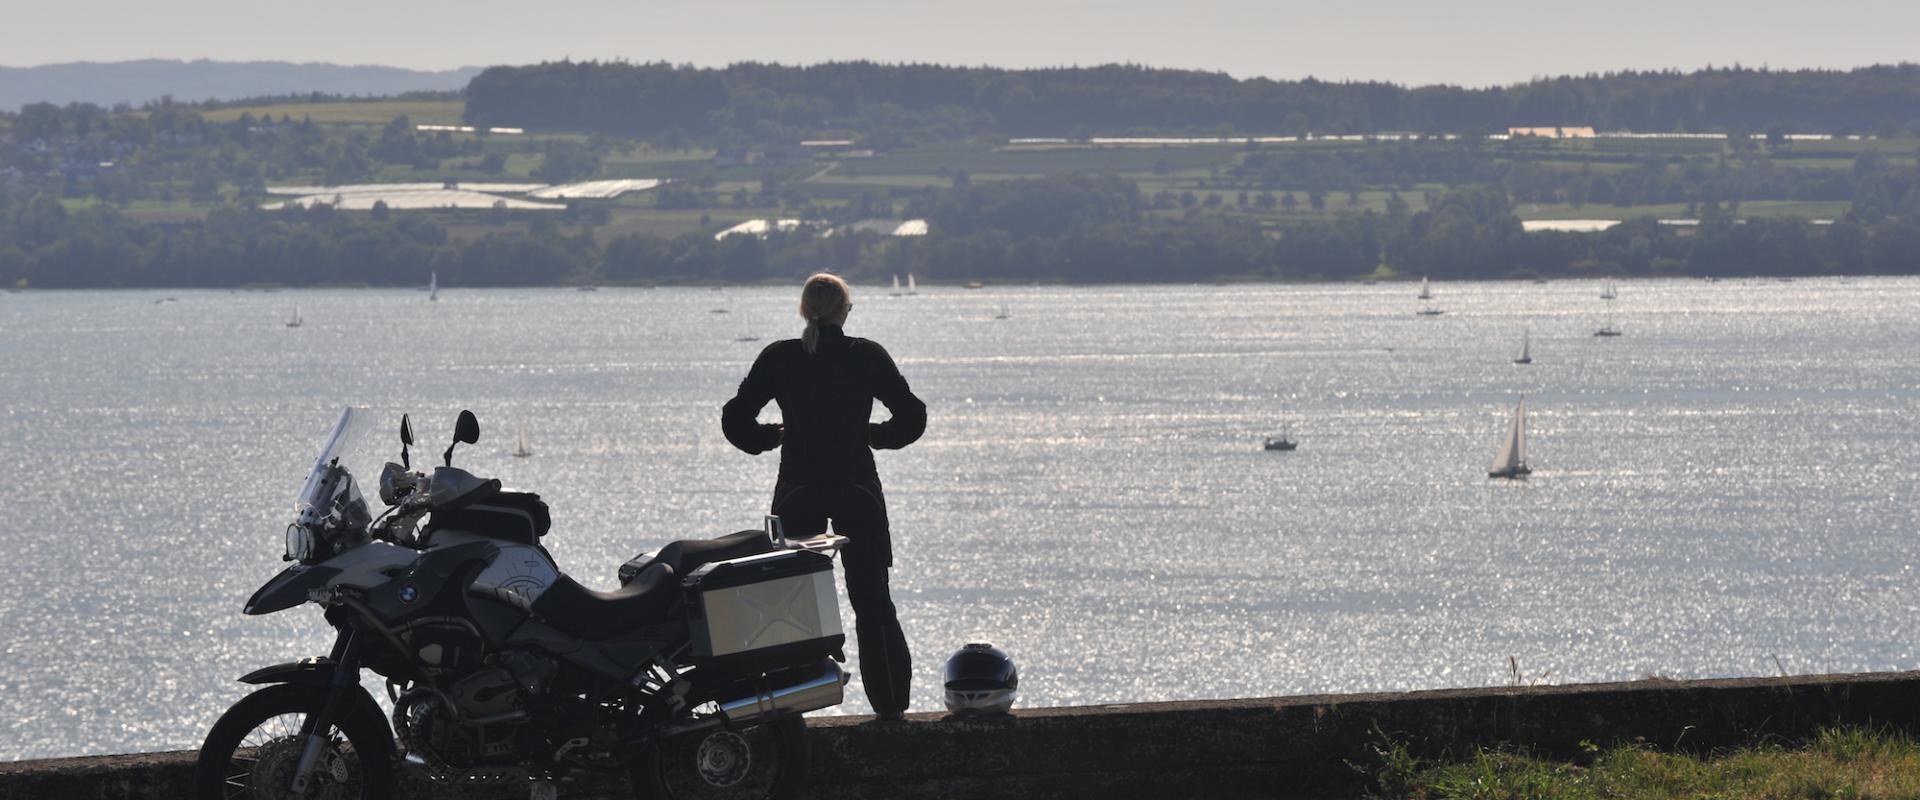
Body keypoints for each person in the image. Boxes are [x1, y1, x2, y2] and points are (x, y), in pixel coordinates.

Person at [722, 272, 927, 721]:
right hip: (857, 488)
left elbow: (734, 419)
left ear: (803, 310)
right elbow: (912, 416)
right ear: (845, 311)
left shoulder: (780, 357)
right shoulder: (867, 356)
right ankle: (890, 706)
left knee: (789, 602)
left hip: (798, 488)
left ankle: (785, 710)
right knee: (872, 599)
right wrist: (876, 435)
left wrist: (767, 438)